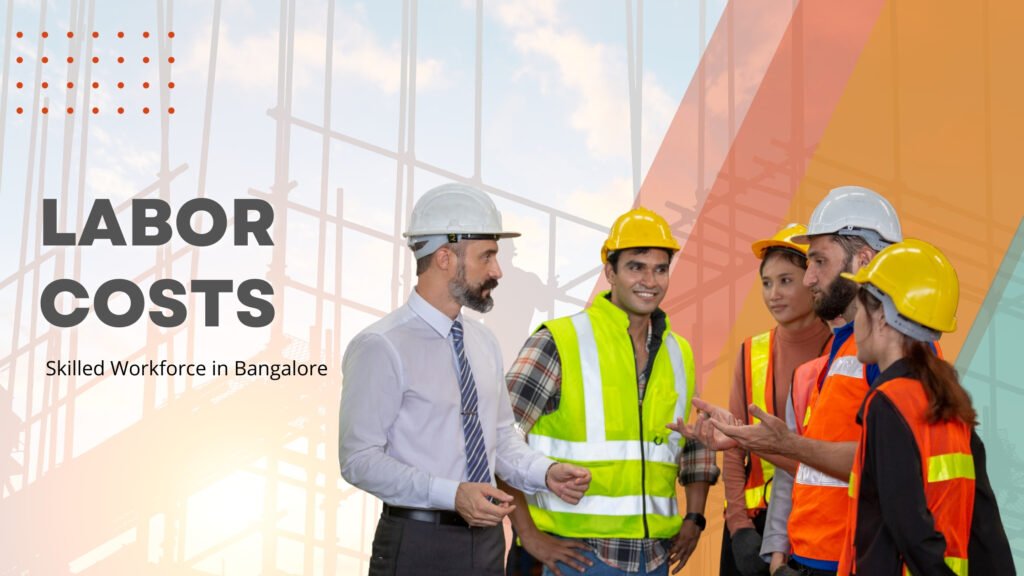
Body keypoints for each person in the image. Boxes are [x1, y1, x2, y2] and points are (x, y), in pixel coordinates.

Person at [338, 183, 592, 576]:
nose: (498, 271)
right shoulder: (381, 346)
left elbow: (502, 437)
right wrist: (451, 494)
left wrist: (544, 472)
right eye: (487, 256)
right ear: (444, 257)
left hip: (487, 544)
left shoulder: (483, 341)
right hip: (418, 546)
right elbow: (358, 460)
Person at [676, 186, 905, 576]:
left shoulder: (891, 345)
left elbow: (884, 462)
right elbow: (811, 467)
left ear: (863, 259)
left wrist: (782, 445)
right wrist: (776, 546)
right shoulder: (838, 353)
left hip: (857, 556)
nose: (809, 278)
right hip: (811, 553)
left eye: (817, 262)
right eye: (768, 282)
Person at [502, 207, 719, 576]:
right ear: (610, 273)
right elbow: (497, 438)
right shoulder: (559, 341)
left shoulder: (678, 352)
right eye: (636, 266)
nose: (650, 279)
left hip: (652, 560)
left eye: (661, 268)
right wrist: (528, 536)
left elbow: (695, 443)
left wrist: (695, 518)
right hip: (573, 557)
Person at [837, 238, 1013, 575]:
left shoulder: (888, 403)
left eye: (859, 309)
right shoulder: (949, 401)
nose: (854, 322)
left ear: (883, 318)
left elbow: (909, 528)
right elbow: (985, 525)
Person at [720, 224, 831, 576]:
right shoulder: (750, 352)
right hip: (750, 527)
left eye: (786, 281)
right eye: (766, 283)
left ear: (813, 280)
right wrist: (738, 527)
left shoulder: (843, 353)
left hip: (815, 524)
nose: (773, 294)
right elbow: (734, 445)